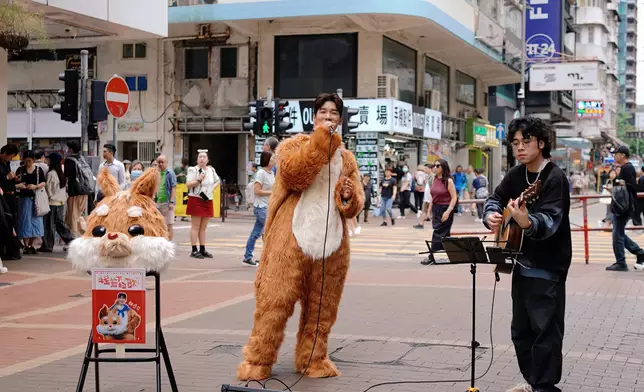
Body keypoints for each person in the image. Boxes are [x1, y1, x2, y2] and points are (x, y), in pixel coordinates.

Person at [484, 117, 572, 392]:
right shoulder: (516, 174)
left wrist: (527, 222)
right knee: (520, 331)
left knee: (545, 330)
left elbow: (551, 220)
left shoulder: (554, 177)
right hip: (519, 262)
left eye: (526, 142)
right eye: (515, 143)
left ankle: (545, 387)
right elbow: (494, 198)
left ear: (542, 143)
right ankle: (534, 382)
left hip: (547, 267)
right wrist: (492, 215)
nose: (519, 148)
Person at [607, 145, 644, 272]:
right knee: (619, 233)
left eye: (616, 154)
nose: (614, 156)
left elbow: (631, 186)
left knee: (617, 234)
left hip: (623, 206)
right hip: (623, 205)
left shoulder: (627, 168)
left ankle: (621, 262)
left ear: (622, 155)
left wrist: (615, 182)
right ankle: (639, 252)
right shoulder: (624, 168)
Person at [242, 150, 275, 267]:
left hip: (267, 206)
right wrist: (272, 192)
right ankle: (268, 258)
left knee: (256, 233)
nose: (274, 160)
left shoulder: (271, 173)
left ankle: (248, 256)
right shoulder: (261, 173)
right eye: (272, 158)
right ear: (267, 160)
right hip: (260, 207)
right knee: (268, 232)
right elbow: (257, 191)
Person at [186, 150, 220, 259]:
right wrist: (198, 180)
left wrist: (211, 190)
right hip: (196, 199)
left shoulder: (211, 170)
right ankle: (194, 250)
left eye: (204, 157)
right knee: (195, 226)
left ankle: (202, 248)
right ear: (197, 159)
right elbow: (188, 185)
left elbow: (217, 181)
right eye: (200, 157)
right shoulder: (193, 170)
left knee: (203, 227)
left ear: (207, 159)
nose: (202, 159)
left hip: (207, 199)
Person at [421, 159, 457, 262]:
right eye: (434, 166)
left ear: (443, 168)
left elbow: (454, 197)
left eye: (437, 166)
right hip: (436, 209)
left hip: (446, 208)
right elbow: (433, 197)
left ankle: (432, 256)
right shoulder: (434, 179)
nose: (435, 168)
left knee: (438, 232)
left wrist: (448, 211)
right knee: (444, 234)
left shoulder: (448, 181)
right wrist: (429, 211)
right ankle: (451, 255)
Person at [40, 152, 74, 252]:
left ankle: (48, 245)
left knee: (49, 225)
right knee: (59, 224)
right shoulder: (61, 173)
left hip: (52, 203)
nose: (47, 161)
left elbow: (49, 190)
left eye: (48, 159)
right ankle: (72, 241)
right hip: (61, 203)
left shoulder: (51, 174)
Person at [15, 150, 46, 254]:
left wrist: (35, 186)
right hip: (24, 199)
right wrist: (19, 184)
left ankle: (31, 245)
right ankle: (25, 244)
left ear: (33, 160)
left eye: (30, 161)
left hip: (35, 199)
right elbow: (15, 182)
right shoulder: (20, 170)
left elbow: (43, 182)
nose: (28, 163)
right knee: (24, 221)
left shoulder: (38, 170)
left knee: (35, 221)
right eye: (26, 161)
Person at [64, 141, 91, 237]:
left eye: (68, 148)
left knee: (73, 216)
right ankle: (85, 236)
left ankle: (75, 239)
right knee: (82, 215)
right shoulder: (82, 159)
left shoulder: (69, 160)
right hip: (85, 190)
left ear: (71, 149)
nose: (67, 150)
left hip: (74, 191)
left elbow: (67, 175)